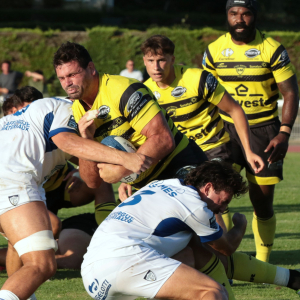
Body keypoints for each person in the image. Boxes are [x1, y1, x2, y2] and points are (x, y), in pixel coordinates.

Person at [0, 97, 151, 300]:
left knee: (17, 245)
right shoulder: (69, 109)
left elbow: (85, 164)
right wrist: (125, 159)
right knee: (41, 264)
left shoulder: (28, 121)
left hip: (17, 180)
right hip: (13, 180)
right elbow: (69, 142)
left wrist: (87, 168)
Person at [81, 161, 300, 300]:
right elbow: (227, 248)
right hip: (126, 259)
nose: (223, 209)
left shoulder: (160, 185)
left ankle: (293, 279)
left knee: (194, 252)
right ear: (208, 188)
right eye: (224, 201)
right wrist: (240, 224)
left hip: (93, 273)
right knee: (212, 293)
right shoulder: (195, 206)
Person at [202, 0, 299, 262]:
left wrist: (284, 132)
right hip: (224, 131)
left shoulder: (272, 49)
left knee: (262, 202)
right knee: (213, 198)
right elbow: (204, 94)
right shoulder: (213, 51)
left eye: (245, 14)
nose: (240, 19)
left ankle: (262, 261)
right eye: (234, 14)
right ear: (227, 16)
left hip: (264, 131)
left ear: (254, 16)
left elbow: (290, 91)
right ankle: (220, 256)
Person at [53, 42, 208, 193]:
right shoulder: (76, 110)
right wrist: (87, 140)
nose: (67, 83)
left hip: (179, 163)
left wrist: (123, 169)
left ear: (91, 68)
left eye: (73, 75)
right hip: (145, 184)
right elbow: (92, 182)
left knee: (204, 215)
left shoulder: (122, 90)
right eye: (62, 78)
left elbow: (163, 139)